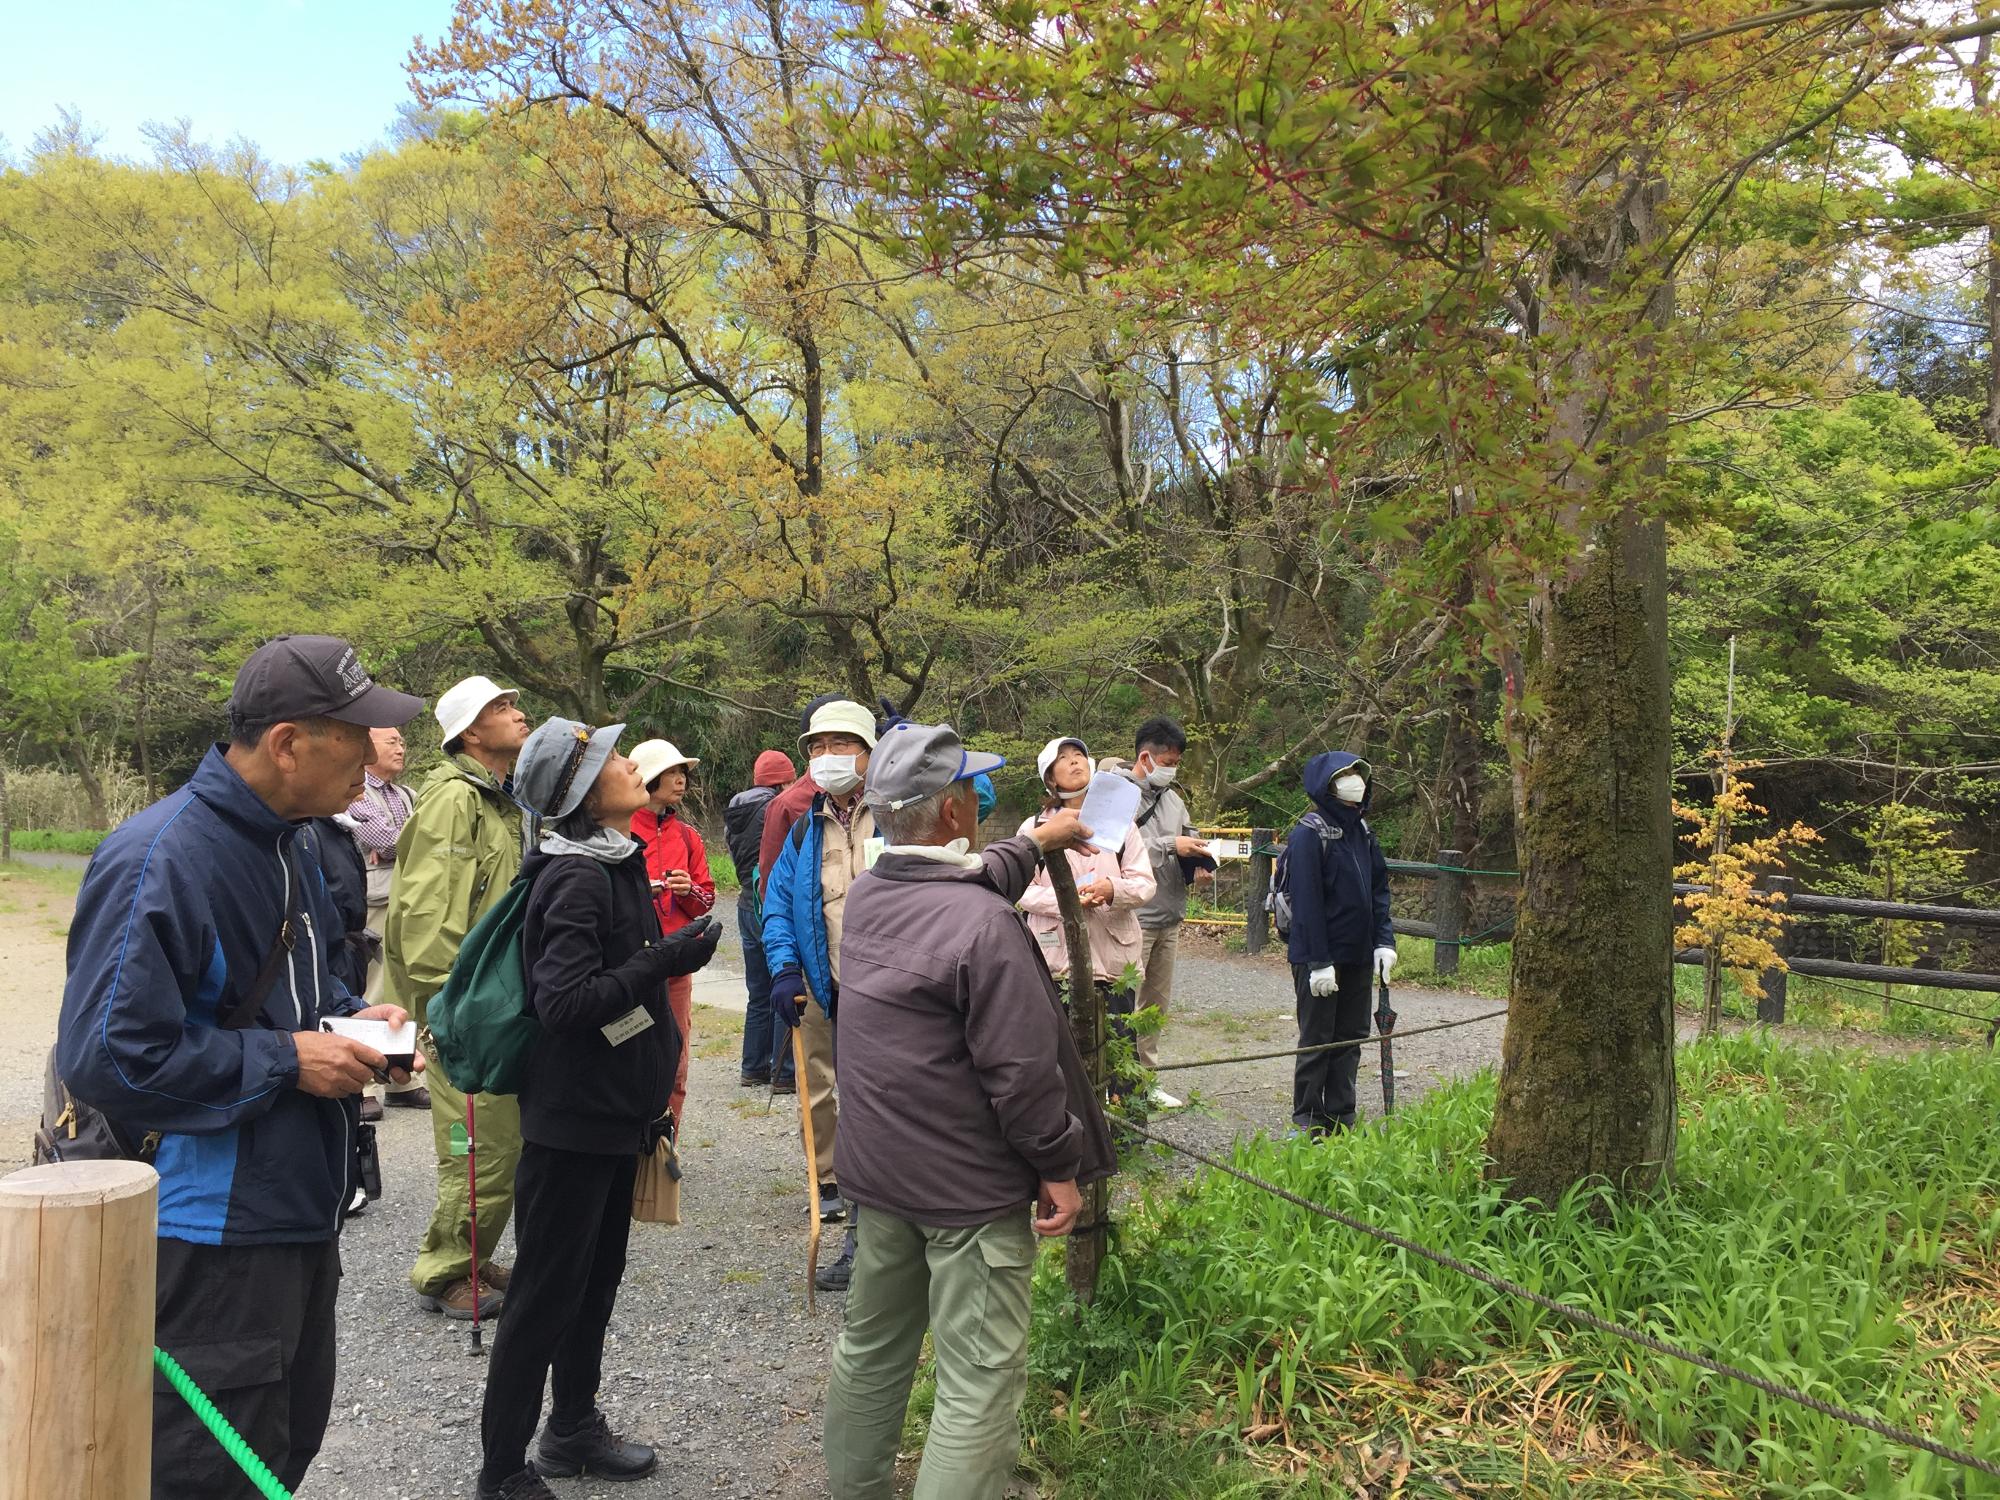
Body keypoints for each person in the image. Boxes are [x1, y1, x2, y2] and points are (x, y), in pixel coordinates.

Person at [55, 634, 424, 1500]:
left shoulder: (293, 839)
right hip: (207, 1229)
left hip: (296, 1205)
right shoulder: (163, 855)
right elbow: (106, 1056)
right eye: (356, 733)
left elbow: (284, 989)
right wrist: (285, 1059)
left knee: (282, 1449)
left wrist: (351, 1018)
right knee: (208, 1469)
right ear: (289, 742)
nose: (375, 751)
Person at [822, 721, 1115, 1500]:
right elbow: (1022, 1078)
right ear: (953, 812)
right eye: (968, 790)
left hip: (881, 1175)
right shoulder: (985, 927)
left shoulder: (875, 894)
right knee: (978, 1378)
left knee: (872, 1348)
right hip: (968, 1192)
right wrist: (1059, 1166)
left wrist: (1038, 841)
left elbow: (971, 874)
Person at [474, 718, 724, 1500]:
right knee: (545, 1295)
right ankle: (503, 1471)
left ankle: (573, 1429)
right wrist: (666, 959)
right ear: (582, 790)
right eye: (614, 758)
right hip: (573, 1126)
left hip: (613, 1119)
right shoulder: (577, 875)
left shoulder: (613, 856)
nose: (629, 763)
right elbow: (565, 1004)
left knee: (594, 1282)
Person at [383, 673, 531, 1319]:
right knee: (479, 1141)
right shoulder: (454, 802)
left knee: (502, 1139)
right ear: (471, 732)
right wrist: (452, 1010)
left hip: (490, 997)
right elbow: (427, 915)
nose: (518, 713)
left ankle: (472, 1253)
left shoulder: (493, 796)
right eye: (503, 707)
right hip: (466, 1006)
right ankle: (445, 1271)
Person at [764, 696, 878, 1290]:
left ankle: (903, 1243)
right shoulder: (807, 826)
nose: (826, 756)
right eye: (816, 745)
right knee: (854, 1114)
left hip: (901, 997)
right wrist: (785, 969)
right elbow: (778, 903)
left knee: (893, 1114)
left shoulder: (899, 811)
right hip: (835, 991)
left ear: (869, 752)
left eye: (841, 744)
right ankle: (862, 1245)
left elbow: (976, 795)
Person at [1017, 736, 1156, 1099]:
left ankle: (1127, 1139)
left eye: (1079, 755)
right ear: (1049, 777)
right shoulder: (1034, 829)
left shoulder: (1123, 825)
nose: (1075, 762)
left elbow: (1144, 883)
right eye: (1063, 759)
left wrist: (1112, 889)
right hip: (1056, 963)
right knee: (1063, 1056)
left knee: (1122, 1052)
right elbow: (1020, 890)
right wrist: (1066, 900)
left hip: (1113, 963)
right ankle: (1074, 1138)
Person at [1286, 752, 1397, 1137]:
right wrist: (1318, 960)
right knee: (1317, 1039)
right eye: (1345, 775)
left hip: (1358, 955)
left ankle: (1341, 1116)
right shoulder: (1308, 834)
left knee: (1351, 1037)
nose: (1355, 782)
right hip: (1319, 957)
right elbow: (1306, 903)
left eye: (1358, 774)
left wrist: (1384, 941)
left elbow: (1380, 890)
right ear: (1327, 784)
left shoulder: (1363, 833)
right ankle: (1308, 1119)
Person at [629, 738, 717, 1128]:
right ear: (649, 779)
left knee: (675, 1058)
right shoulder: (621, 828)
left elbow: (707, 899)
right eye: (671, 773)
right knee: (629, 1054)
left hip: (677, 969)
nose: (681, 780)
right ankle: (629, 1151)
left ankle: (666, 1145)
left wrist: (687, 892)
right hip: (628, 968)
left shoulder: (687, 836)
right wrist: (639, 889)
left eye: (683, 773)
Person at [1126, 716, 1213, 1108]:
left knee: (1155, 1007)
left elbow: (1188, 839)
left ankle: (1146, 1080)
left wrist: (1200, 863)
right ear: (1147, 757)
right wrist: (1169, 845)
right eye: (1169, 761)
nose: (1172, 769)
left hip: (1170, 915)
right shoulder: (1115, 795)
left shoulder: (1175, 800)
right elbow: (1117, 850)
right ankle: (1115, 1084)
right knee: (1122, 1004)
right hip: (1133, 917)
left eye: (1176, 762)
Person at [345, 724, 427, 1111]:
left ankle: (400, 1082)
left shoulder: (404, 793)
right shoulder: (355, 788)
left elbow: (416, 842)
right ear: (367, 746)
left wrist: (404, 844)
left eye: (401, 741)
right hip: (375, 902)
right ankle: (362, 1086)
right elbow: (389, 841)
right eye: (391, 741)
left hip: (408, 900)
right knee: (371, 991)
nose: (401, 748)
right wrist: (408, 843)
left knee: (404, 989)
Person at [724, 748, 799, 1090]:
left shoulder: (735, 811)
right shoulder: (778, 807)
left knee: (758, 991)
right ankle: (784, 1073)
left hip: (744, 900)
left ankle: (752, 1067)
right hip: (771, 902)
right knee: (785, 984)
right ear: (783, 780)